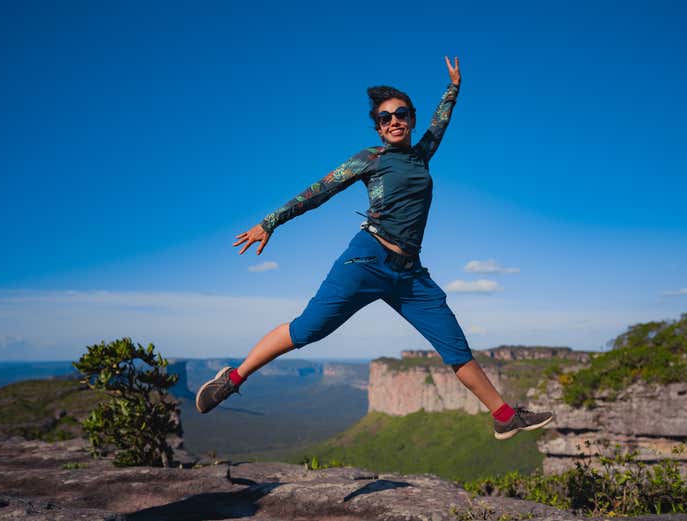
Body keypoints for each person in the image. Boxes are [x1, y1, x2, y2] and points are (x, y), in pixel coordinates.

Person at [195, 57, 553, 440]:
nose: (395, 120)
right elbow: (319, 191)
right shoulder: (370, 158)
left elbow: (441, 124)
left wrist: (453, 89)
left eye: (401, 114)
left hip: (410, 274)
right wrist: (270, 222)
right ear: (379, 128)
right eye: (386, 118)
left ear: (411, 120)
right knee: (306, 330)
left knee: (455, 346)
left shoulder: (420, 155)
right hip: (366, 259)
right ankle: (232, 379)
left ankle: (503, 416)